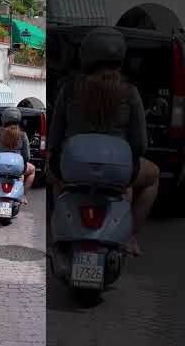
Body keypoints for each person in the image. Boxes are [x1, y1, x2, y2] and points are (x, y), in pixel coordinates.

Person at [47, 27, 159, 257]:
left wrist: (55, 158)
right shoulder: (129, 92)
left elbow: (55, 136)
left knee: (56, 182)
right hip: (118, 172)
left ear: (86, 55)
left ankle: (56, 238)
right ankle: (129, 235)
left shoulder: (70, 88)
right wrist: (130, 162)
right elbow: (140, 143)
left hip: (72, 168)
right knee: (153, 177)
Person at [0, 108, 35, 205]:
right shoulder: (22, 134)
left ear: (4, 119)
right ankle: (23, 195)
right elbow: (27, 156)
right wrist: (23, 164)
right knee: (33, 170)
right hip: (17, 169)